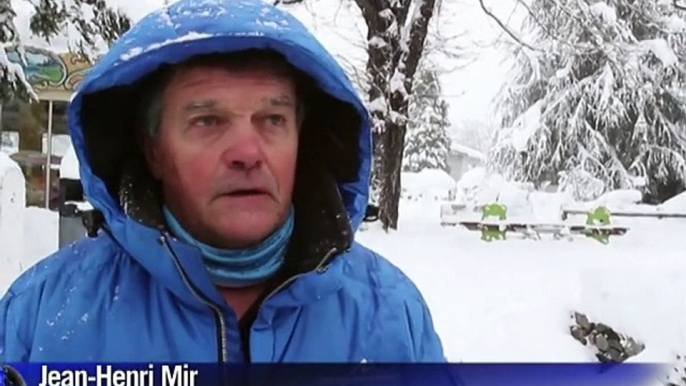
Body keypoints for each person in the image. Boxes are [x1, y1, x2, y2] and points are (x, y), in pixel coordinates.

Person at [0, 0, 444, 362]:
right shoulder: (42, 318)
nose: (247, 154)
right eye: (208, 121)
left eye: (272, 119)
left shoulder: (390, 318)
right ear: (154, 149)